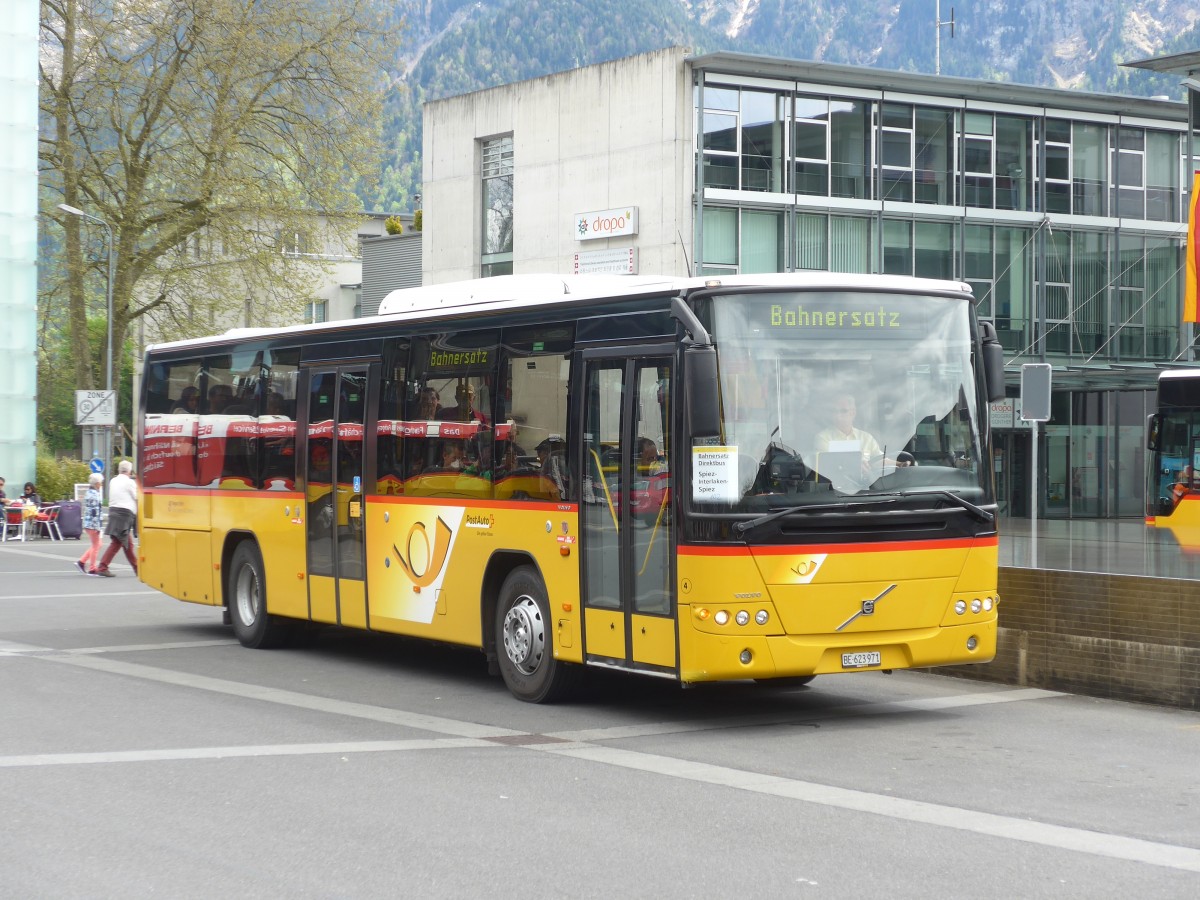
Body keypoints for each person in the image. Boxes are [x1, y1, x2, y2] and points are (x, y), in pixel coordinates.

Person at [92, 460, 138, 577]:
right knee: (121, 542)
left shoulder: (113, 481)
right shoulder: (129, 482)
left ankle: (136, 568)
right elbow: (137, 497)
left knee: (122, 543)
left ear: (119, 470)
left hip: (114, 513)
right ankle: (103, 567)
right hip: (124, 515)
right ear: (129, 471)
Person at [815, 394, 884, 471]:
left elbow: (880, 459)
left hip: (867, 482)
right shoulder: (823, 438)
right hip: (835, 482)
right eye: (835, 411)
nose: (838, 415)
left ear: (853, 413)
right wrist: (855, 465)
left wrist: (899, 464)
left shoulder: (867, 438)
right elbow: (829, 465)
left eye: (843, 411)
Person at [76, 472, 104, 574]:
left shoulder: (89, 493)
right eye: (100, 483)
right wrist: (97, 527)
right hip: (93, 524)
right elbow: (95, 512)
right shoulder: (95, 495)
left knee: (97, 544)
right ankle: (92, 567)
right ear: (96, 484)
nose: (101, 484)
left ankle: (82, 561)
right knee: (96, 545)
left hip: (88, 523)